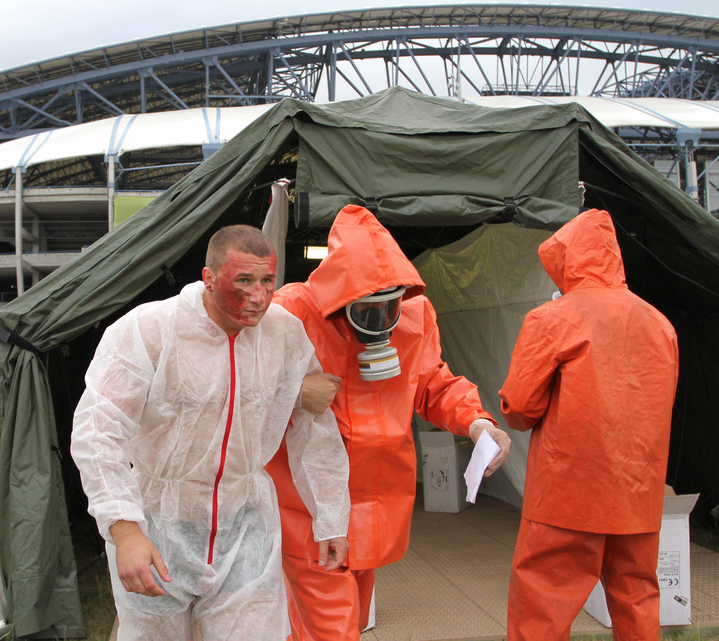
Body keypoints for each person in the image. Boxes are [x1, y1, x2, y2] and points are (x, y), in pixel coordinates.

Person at [70, 225, 352, 641]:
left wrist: (332, 518)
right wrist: (125, 531)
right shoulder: (149, 329)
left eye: (268, 281)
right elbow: (98, 431)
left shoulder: (284, 333)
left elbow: (316, 428)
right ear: (209, 277)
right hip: (159, 524)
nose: (259, 296)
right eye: (244, 281)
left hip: (246, 525)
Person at [264, 205, 511, 641]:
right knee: (333, 628)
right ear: (340, 300)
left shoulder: (415, 316)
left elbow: (432, 382)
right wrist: (297, 393)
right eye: (366, 313)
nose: (380, 326)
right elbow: (240, 386)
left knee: (348, 621)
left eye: (388, 310)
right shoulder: (293, 313)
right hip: (308, 509)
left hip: (376, 504)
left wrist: (477, 423)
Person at [499, 208, 679, 641]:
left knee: (541, 607)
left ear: (566, 261)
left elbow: (519, 408)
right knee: (637, 599)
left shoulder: (552, 319)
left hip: (568, 492)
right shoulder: (661, 324)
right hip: (638, 494)